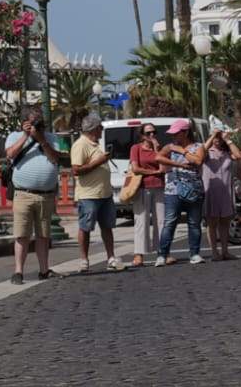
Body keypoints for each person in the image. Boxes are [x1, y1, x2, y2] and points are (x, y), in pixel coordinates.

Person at [4, 107, 62, 284]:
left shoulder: (51, 138)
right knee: (22, 235)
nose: (39, 123)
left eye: (40, 120)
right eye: (34, 120)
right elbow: (10, 155)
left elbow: (55, 159)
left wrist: (42, 140)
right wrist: (26, 136)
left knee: (43, 235)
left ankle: (44, 270)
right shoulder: (14, 136)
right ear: (25, 122)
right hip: (23, 194)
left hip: (45, 195)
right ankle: (18, 272)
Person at [68, 114, 121, 273]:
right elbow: (76, 169)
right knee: (85, 227)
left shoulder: (95, 144)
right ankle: (84, 259)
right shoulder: (80, 145)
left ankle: (111, 257)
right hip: (88, 195)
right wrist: (99, 161)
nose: (102, 130)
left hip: (104, 193)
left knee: (107, 226)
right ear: (93, 129)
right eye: (100, 127)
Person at [154, 119, 206, 265]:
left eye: (176, 133)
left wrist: (182, 151)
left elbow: (198, 161)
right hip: (172, 190)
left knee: (194, 223)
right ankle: (162, 255)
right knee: (169, 222)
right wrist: (177, 163)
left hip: (194, 190)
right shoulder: (170, 146)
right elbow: (158, 157)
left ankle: (194, 254)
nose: (173, 136)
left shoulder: (198, 146)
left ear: (186, 132)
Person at [127, 122, 166, 268]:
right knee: (141, 220)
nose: (152, 135)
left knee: (161, 221)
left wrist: (157, 149)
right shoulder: (135, 148)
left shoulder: (159, 148)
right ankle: (139, 254)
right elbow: (136, 168)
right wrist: (153, 172)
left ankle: (162, 252)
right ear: (142, 135)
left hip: (159, 187)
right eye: (148, 133)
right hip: (142, 187)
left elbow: (163, 168)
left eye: (154, 132)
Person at [201, 129, 241, 260]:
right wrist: (213, 134)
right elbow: (201, 152)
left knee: (225, 222)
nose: (217, 139)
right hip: (211, 190)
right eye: (215, 137)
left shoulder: (227, 152)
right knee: (212, 222)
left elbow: (239, 155)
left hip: (226, 190)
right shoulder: (207, 152)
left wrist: (228, 140)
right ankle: (214, 252)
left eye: (219, 137)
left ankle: (225, 251)